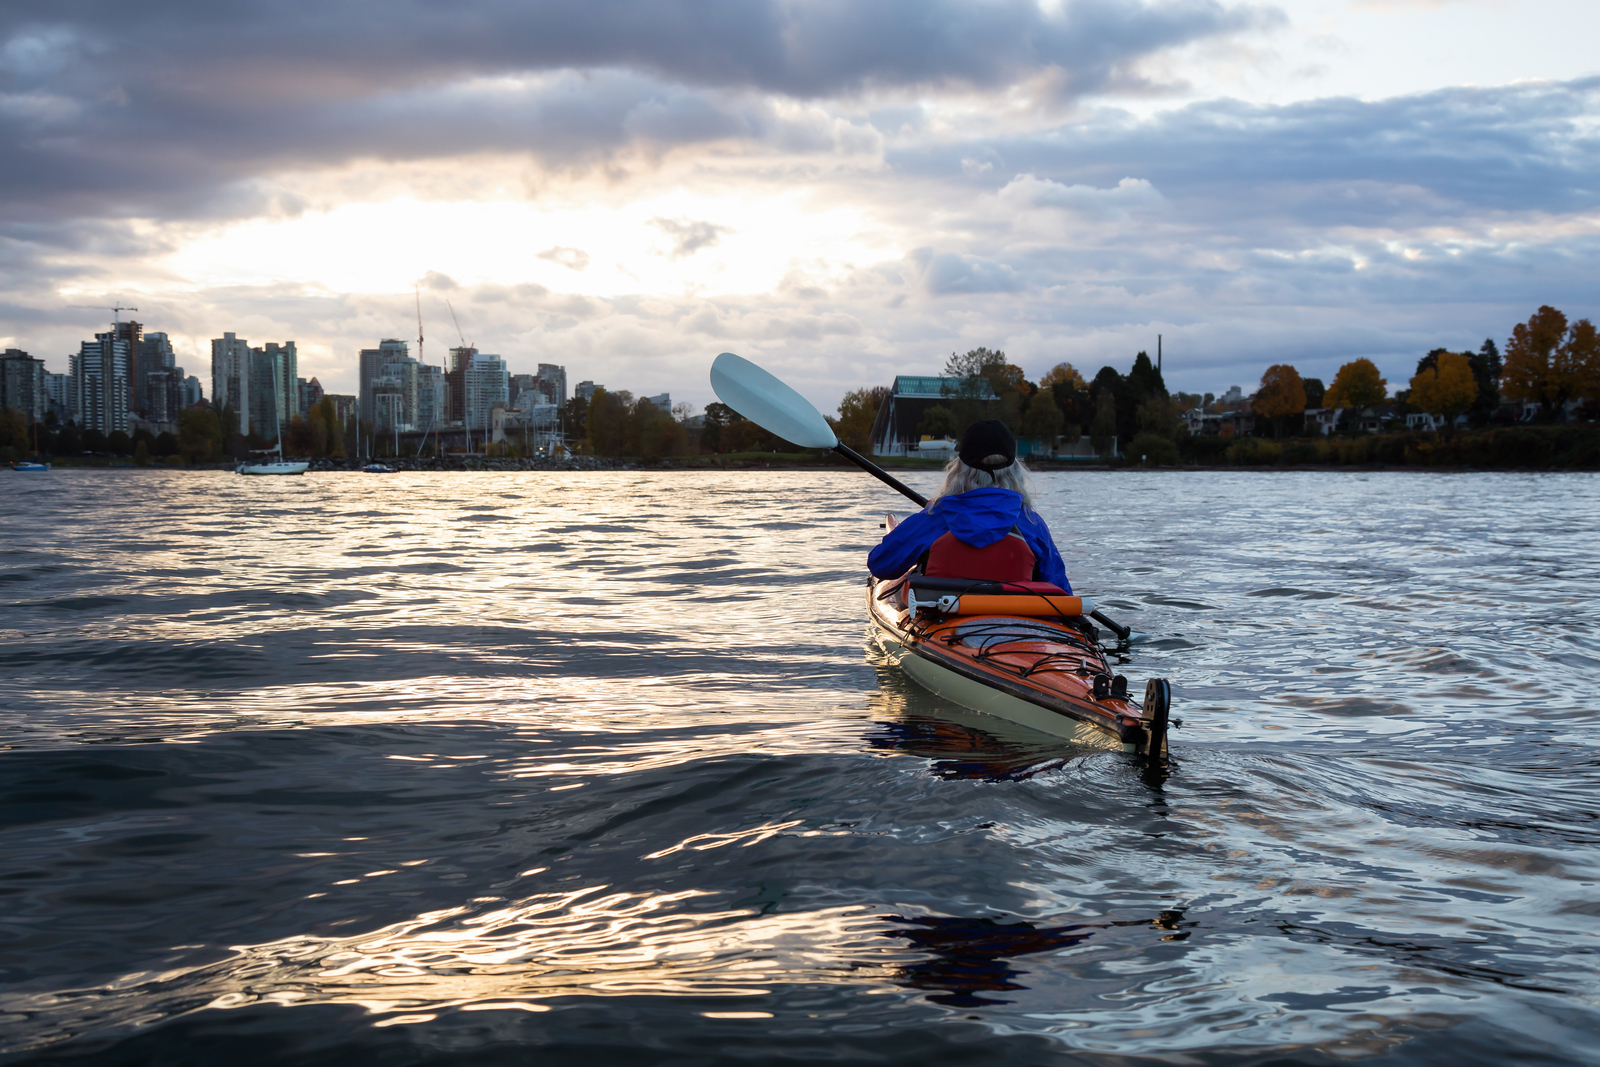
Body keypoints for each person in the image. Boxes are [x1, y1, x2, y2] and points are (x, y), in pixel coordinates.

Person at [868, 419, 1071, 592]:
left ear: (959, 470)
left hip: (941, 624)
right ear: (1014, 471)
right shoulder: (1031, 523)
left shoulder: (936, 518)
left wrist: (927, 513)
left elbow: (880, 564)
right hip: (1016, 624)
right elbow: (1060, 590)